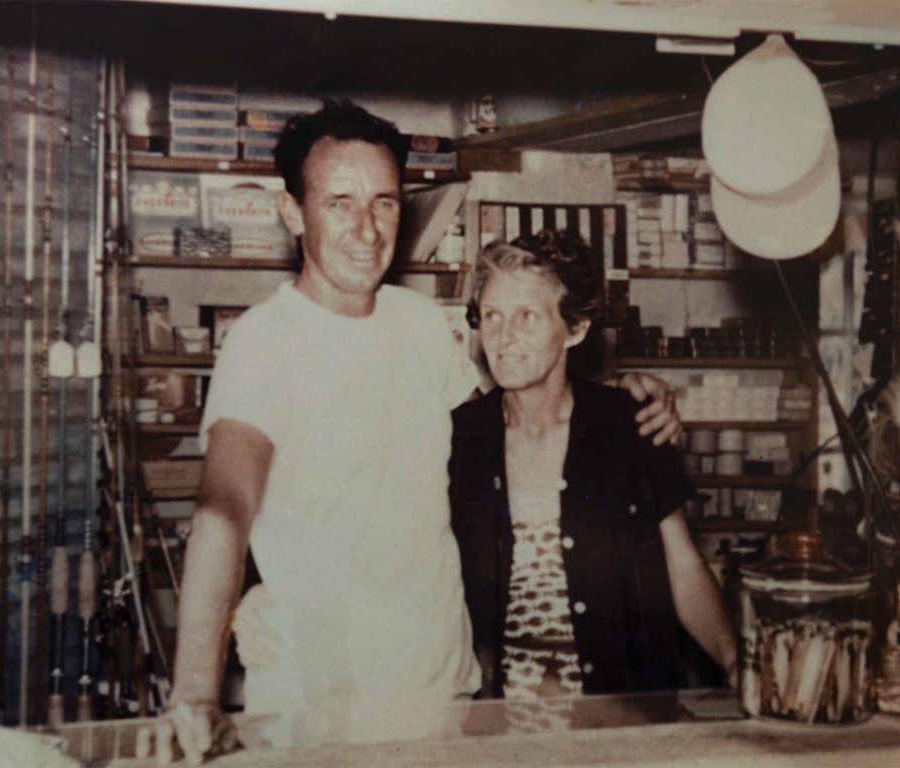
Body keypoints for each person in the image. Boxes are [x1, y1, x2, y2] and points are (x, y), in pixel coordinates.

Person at [155, 100, 682, 765]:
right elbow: (223, 511)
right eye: (339, 203)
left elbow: (515, 421)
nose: (366, 228)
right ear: (294, 213)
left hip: (443, 696)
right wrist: (196, 690)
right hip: (323, 706)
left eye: (384, 203)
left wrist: (624, 396)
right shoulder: (264, 346)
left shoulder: (423, 327)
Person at [449, 230, 737, 704]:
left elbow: (682, 565)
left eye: (528, 317)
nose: (505, 338)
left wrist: (735, 663)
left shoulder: (631, 426)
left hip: (618, 709)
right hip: (498, 721)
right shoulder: (462, 440)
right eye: (493, 316)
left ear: (576, 329)